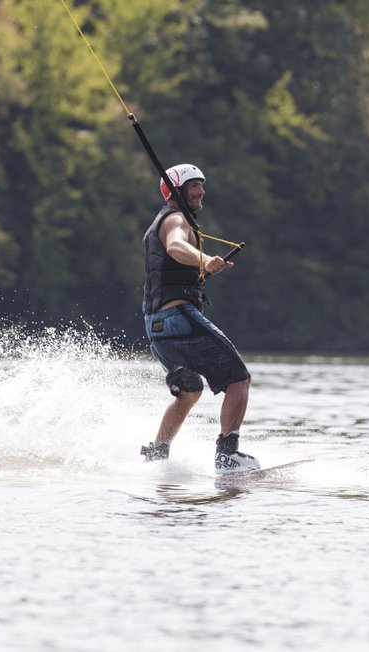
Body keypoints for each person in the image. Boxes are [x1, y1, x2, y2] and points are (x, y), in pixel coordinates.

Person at [139, 163, 260, 474]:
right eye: (195, 186)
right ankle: (228, 456)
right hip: (177, 318)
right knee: (238, 379)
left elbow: (172, 261)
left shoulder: (161, 222)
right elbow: (177, 246)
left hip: (157, 329)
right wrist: (205, 258)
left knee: (189, 391)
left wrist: (201, 270)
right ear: (177, 190)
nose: (202, 191)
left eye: (202, 185)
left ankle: (157, 454)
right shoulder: (175, 219)